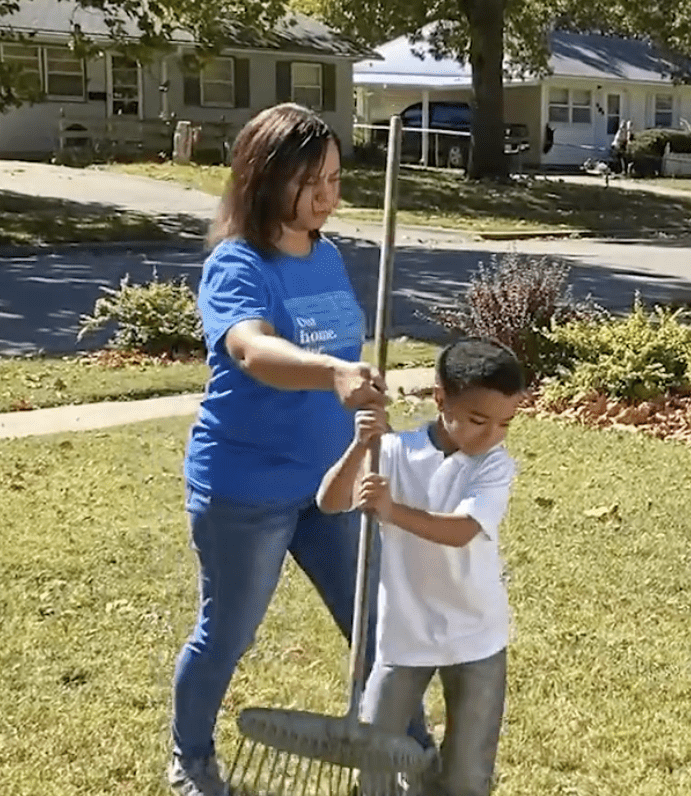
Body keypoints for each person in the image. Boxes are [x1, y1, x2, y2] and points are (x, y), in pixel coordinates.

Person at [168, 102, 430, 796]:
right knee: (226, 635)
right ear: (264, 177)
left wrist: (364, 403)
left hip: (333, 484)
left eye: (336, 179)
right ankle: (190, 757)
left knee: (376, 627)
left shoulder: (330, 255)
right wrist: (334, 373)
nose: (325, 196)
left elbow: (341, 356)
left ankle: (415, 757)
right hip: (245, 486)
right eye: (309, 181)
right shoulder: (236, 264)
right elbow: (251, 348)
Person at [316, 338, 527, 796]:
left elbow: (461, 531)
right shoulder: (394, 451)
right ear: (440, 398)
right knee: (372, 754)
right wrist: (361, 444)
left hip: (476, 636)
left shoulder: (493, 466)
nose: (491, 434)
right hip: (404, 634)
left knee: (467, 775)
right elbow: (330, 502)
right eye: (477, 420)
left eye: (505, 423)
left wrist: (391, 511)